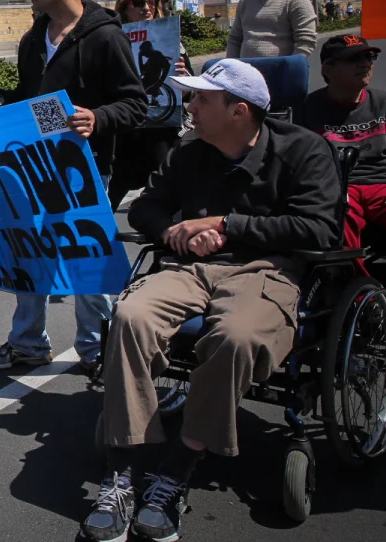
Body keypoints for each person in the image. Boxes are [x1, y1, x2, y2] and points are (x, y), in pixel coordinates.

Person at [82, 59, 338, 542]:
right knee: (131, 316)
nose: (190, 106)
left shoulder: (305, 151)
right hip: (191, 268)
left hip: (267, 268)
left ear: (239, 111)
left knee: (236, 336)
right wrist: (177, 233)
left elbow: (320, 229)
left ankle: (177, 469)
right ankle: (121, 475)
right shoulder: (189, 152)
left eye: (201, 99)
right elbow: (145, 208)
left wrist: (225, 225)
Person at [0, 0, 147, 374]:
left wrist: (99, 118)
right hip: (34, 166)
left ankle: (98, 348)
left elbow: (135, 104)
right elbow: (29, 100)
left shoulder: (105, 37)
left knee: (88, 262)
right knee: (31, 254)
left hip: (84, 168)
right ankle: (28, 342)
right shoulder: (34, 40)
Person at [297, 34, 386, 273]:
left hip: (381, 184)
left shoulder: (382, 102)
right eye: (353, 59)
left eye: (369, 56)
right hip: (339, 187)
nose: (365, 63)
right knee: (336, 221)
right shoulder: (307, 110)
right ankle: (362, 293)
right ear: (328, 69)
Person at [108, 0, 193, 212]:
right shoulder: (111, 39)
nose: (146, 8)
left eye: (152, 2)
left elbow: (189, 94)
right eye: (138, 3)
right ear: (125, 7)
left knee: (165, 176)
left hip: (163, 128)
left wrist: (183, 78)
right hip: (127, 127)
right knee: (116, 183)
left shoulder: (172, 39)